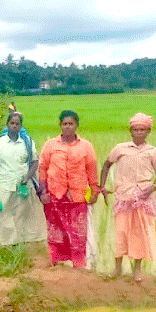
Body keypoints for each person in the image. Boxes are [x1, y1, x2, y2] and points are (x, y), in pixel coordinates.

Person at [99, 113, 156, 282]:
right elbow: (106, 165)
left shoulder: (152, 151)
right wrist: (103, 186)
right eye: (136, 129)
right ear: (131, 131)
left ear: (148, 131)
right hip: (123, 196)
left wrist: (153, 187)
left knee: (139, 233)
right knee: (121, 232)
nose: (139, 132)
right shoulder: (120, 148)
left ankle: (137, 270)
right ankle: (118, 268)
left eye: (142, 129)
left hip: (143, 197)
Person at [38, 110, 100, 270]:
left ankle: (78, 265)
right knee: (55, 231)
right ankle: (56, 262)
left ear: (76, 126)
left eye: (70, 124)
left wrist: (94, 191)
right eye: (64, 124)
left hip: (77, 196)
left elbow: (91, 169)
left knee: (78, 233)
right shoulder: (50, 145)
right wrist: (43, 192)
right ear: (60, 125)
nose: (67, 127)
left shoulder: (86, 146)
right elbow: (43, 169)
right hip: (54, 195)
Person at [0, 111, 46, 247]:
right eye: (11, 123)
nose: (14, 126)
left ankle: (23, 244)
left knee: (24, 214)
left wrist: (27, 177)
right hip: (5, 184)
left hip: (23, 185)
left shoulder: (27, 142)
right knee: (2, 214)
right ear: (7, 124)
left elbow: (34, 163)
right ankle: (1, 244)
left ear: (21, 126)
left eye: (17, 124)